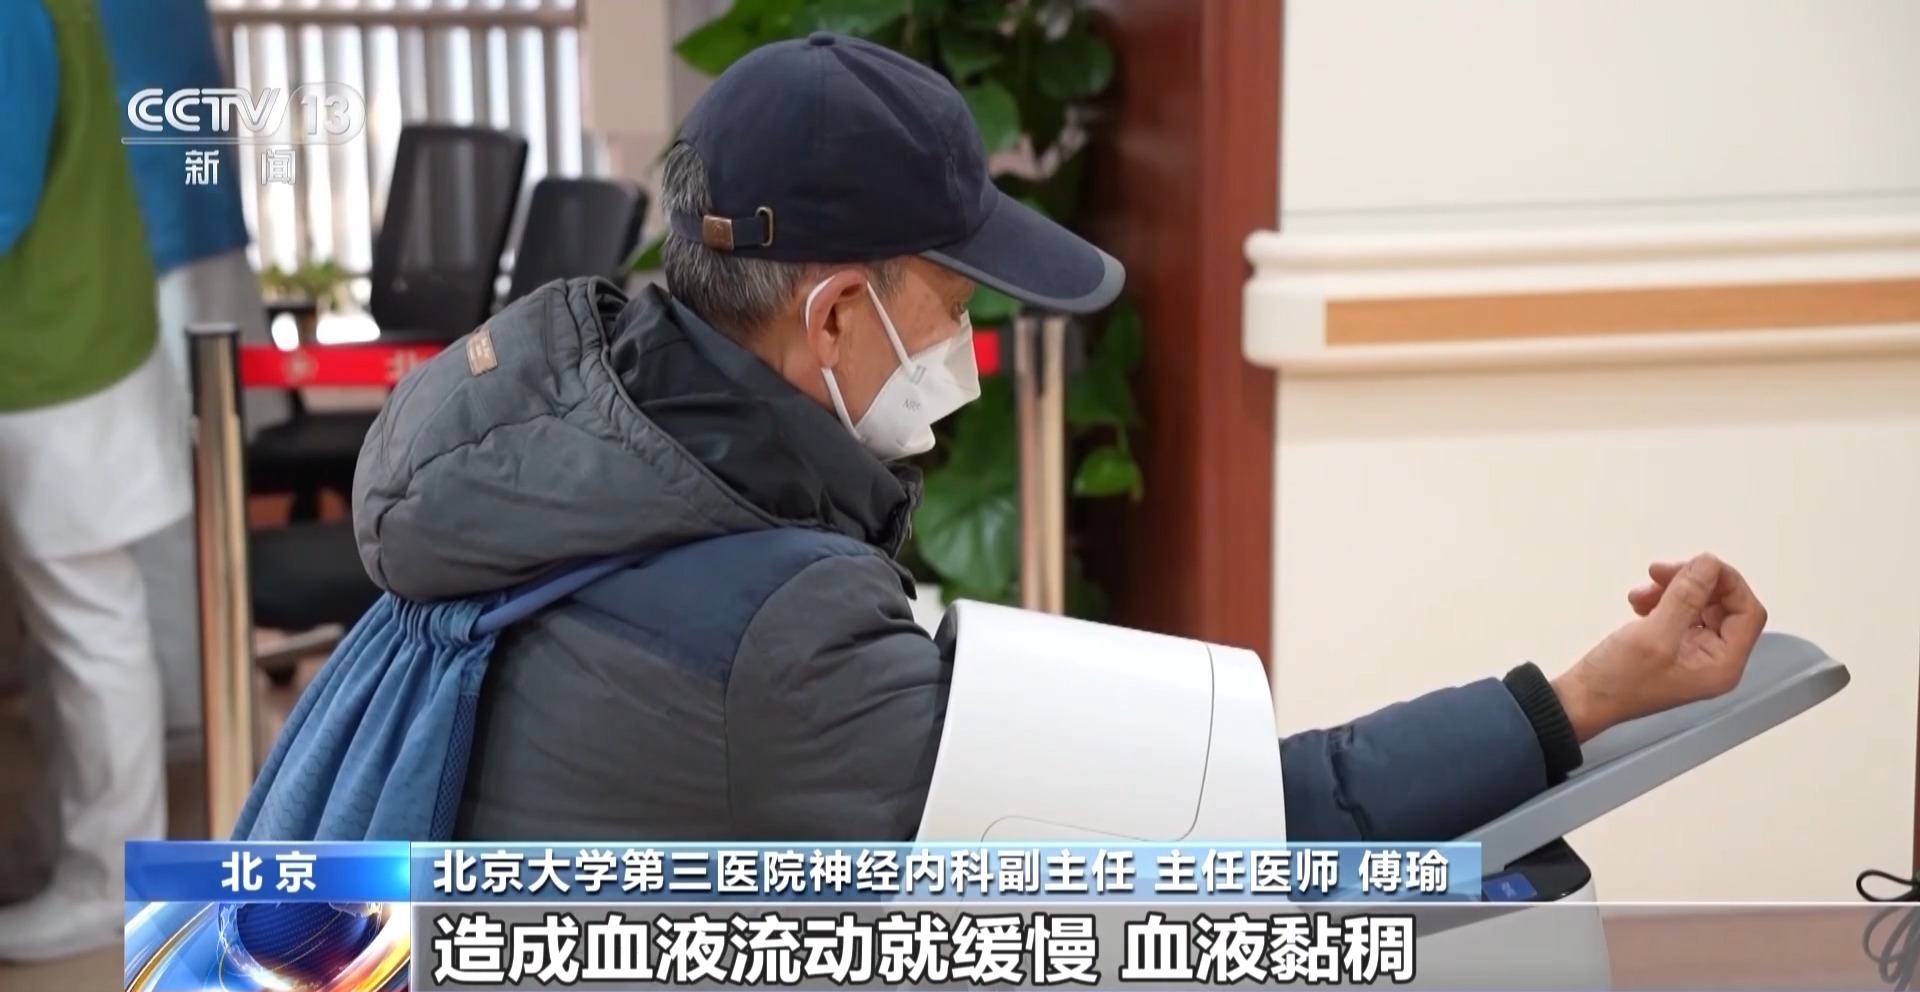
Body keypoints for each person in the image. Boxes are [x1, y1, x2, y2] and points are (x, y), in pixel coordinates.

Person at [253, 33, 1767, 844]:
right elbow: (1232, 826)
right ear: (834, 314)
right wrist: (1582, 696)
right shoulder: (775, 631)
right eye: (950, 301)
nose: (963, 344)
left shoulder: (542, 455)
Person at [0, 0, 192, 961]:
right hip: (80, 330)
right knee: (72, 625)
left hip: (55, 352)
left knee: (86, 623)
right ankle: (64, 845)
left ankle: (104, 878)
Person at [97, 0, 290, 756]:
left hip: (146, 235)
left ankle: (188, 714)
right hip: (175, 225)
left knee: (155, 490)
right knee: (175, 480)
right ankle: (193, 709)